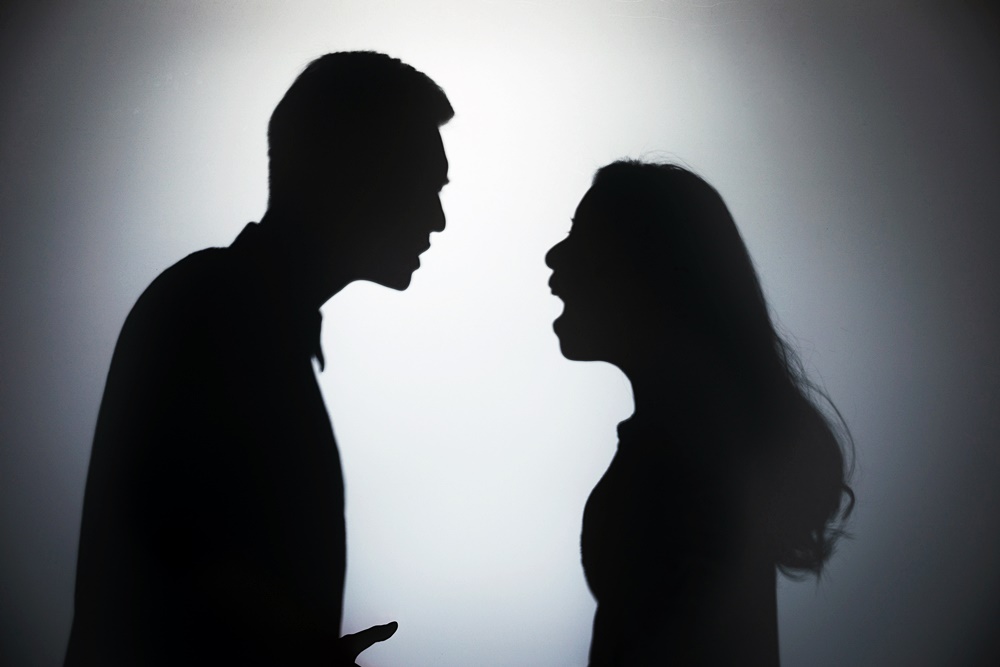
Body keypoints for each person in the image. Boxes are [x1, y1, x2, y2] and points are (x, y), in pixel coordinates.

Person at [64, 51, 452, 667]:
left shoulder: (229, 313)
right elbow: (173, 549)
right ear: (353, 167)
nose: (438, 218)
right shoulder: (214, 313)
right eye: (422, 185)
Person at [545, 160, 854, 666]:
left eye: (584, 237)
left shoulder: (684, 466)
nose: (554, 256)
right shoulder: (700, 445)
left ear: (646, 269)